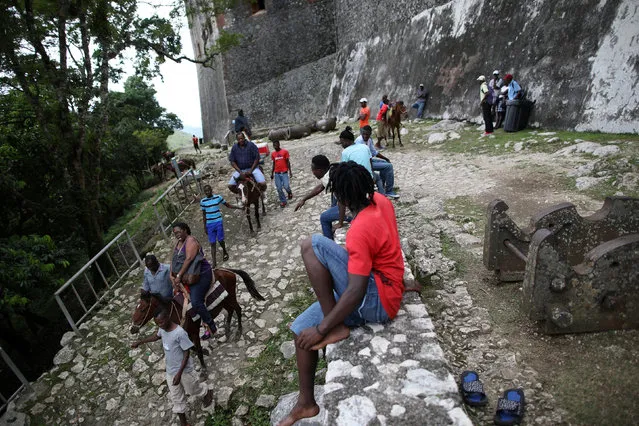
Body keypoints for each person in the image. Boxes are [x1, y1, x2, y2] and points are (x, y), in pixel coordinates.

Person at [276, 161, 405, 426]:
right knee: (300, 330)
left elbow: (356, 291)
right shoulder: (381, 200)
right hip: (383, 286)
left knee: (311, 245)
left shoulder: (359, 230)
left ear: (342, 196)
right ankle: (306, 403)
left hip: (376, 300)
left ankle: (334, 326)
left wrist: (324, 327)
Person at [131, 308, 213, 426]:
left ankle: (206, 391)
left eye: (161, 322)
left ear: (168, 317)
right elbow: (156, 336)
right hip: (171, 371)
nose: (160, 325)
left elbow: (186, 353)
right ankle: (184, 424)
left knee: (193, 390)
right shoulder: (162, 328)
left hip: (184, 371)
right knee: (177, 399)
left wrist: (179, 374)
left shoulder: (179, 333)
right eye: (157, 323)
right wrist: (140, 342)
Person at [170, 222, 217, 339]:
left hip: (200, 275)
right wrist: (172, 274)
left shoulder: (191, 241)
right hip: (185, 278)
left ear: (185, 230)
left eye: (179, 232)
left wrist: (179, 275)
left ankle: (211, 325)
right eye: (175, 233)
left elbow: (189, 258)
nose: (177, 235)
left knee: (196, 301)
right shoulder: (178, 244)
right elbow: (174, 260)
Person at [295, 155, 351, 240]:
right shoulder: (333, 170)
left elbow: (341, 201)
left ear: (320, 170)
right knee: (329, 212)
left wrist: (340, 222)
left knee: (324, 218)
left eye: (313, 170)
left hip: (352, 208)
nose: (312, 172)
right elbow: (320, 187)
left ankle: (329, 243)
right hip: (356, 201)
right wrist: (304, 199)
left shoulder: (330, 179)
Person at [199, 184, 241, 269]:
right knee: (212, 243)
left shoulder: (218, 197)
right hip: (210, 224)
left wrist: (239, 207)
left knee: (221, 240)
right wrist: (205, 226)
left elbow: (228, 205)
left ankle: (224, 251)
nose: (207, 192)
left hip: (218, 221)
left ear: (211, 190)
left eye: (209, 190)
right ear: (204, 192)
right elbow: (204, 215)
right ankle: (214, 262)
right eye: (206, 191)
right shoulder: (203, 202)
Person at [355, 125, 399, 199]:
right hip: (363, 163)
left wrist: (385, 158)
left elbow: (374, 152)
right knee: (389, 166)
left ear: (370, 134)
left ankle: (382, 185)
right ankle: (389, 191)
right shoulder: (359, 141)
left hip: (369, 160)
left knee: (386, 164)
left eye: (367, 134)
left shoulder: (369, 140)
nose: (365, 136)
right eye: (364, 134)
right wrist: (371, 169)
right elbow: (364, 157)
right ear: (361, 133)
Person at [228, 132, 267, 200]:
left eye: (242, 138)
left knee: (262, 183)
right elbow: (232, 161)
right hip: (241, 170)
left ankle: (262, 193)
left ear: (244, 138)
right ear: (237, 140)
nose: (241, 140)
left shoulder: (251, 145)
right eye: (239, 139)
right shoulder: (234, 148)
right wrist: (240, 172)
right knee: (230, 186)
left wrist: (251, 170)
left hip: (253, 168)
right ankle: (241, 195)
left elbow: (257, 158)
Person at [270, 140, 293, 207]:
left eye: (276, 145)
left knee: (286, 186)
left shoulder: (285, 152)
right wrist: (272, 173)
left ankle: (289, 192)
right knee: (279, 188)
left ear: (279, 144)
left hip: (284, 173)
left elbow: (288, 162)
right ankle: (283, 201)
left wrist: (290, 171)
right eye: (274, 145)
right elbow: (274, 163)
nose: (275, 146)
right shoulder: (273, 154)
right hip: (277, 173)